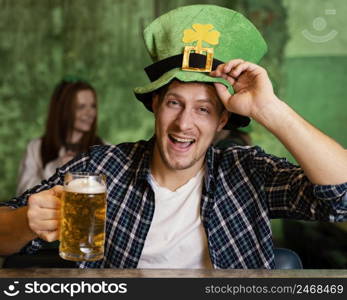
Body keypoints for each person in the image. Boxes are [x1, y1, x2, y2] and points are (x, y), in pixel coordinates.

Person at [0, 5, 347, 269]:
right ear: (155, 104)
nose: (184, 123)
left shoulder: (247, 170)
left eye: (203, 109)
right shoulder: (103, 167)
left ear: (222, 119)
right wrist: (24, 222)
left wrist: (270, 109)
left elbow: (341, 198)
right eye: (174, 103)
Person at [16, 77, 104, 195]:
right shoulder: (36, 147)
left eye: (93, 106)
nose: (90, 113)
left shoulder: (103, 147)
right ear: (64, 110)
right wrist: (55, 168)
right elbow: (22, 192)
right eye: (81, 107)